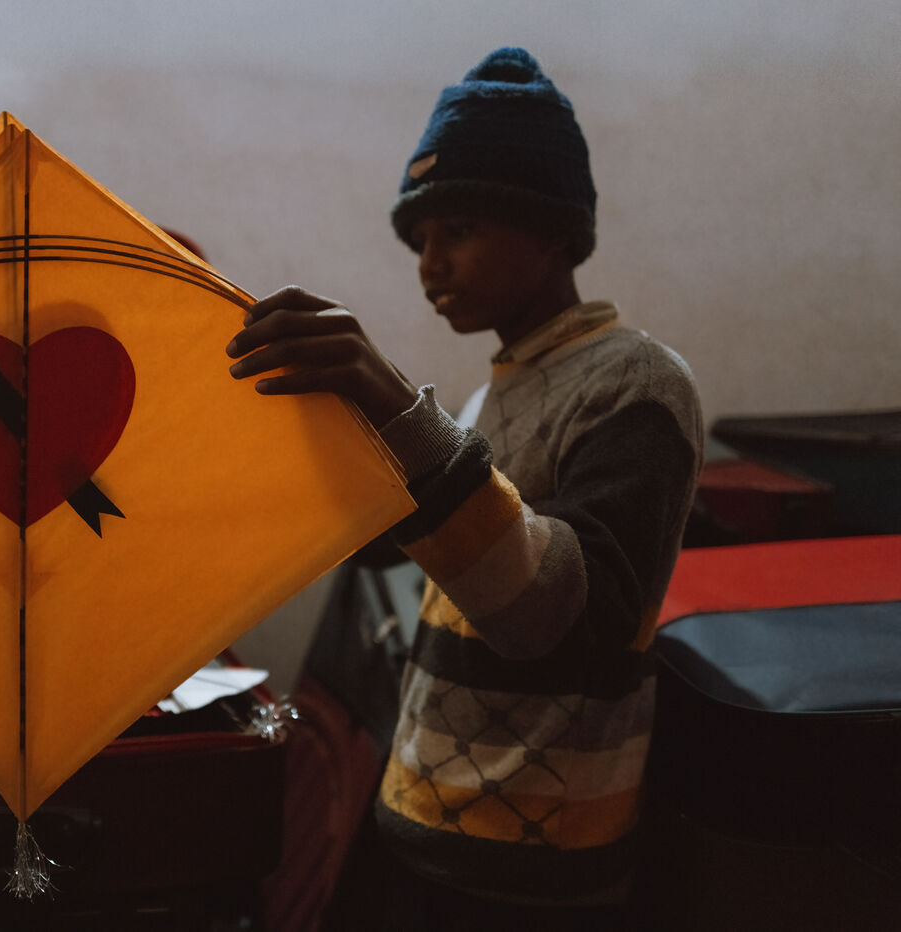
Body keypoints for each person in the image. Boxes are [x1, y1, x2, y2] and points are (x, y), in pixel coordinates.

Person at [227, 47, 703, 928]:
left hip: (533, 869)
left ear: (552, 230)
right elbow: (416, 547)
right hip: (423, 823)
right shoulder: (492, 395)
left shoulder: (636, 382)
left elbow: (553, 623)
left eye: (460, 229)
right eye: (419, 241)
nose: (429, 264)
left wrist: (392, 399)